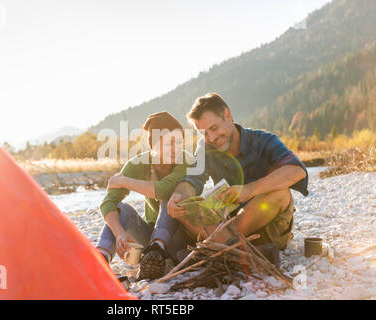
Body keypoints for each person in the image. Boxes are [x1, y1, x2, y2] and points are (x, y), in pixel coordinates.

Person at [167, 93, 309, 258]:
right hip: (228, 225)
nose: (211, 138)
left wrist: (250, 190)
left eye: (214, 128)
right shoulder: (205, 148)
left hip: (269, 231)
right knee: (181, 209)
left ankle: (220, 247)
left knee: (281, 193)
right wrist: (178, 197)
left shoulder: (263, 140)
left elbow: (297, 170)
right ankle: (232, 249)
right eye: (204, 133)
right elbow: (191, 181)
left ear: (228, 115)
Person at [96, 111, 195, 280]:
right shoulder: (137, 165)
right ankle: (99, 261)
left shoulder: (187, 160)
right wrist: (120, 233)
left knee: (171, 196)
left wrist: (124, 181)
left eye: (179, 142)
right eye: (169, 143)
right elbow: (108, 203)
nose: (176, 148)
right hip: (149, 238)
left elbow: (164, 190)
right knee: (121, 209)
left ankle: (157, 249)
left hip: (182, 240)